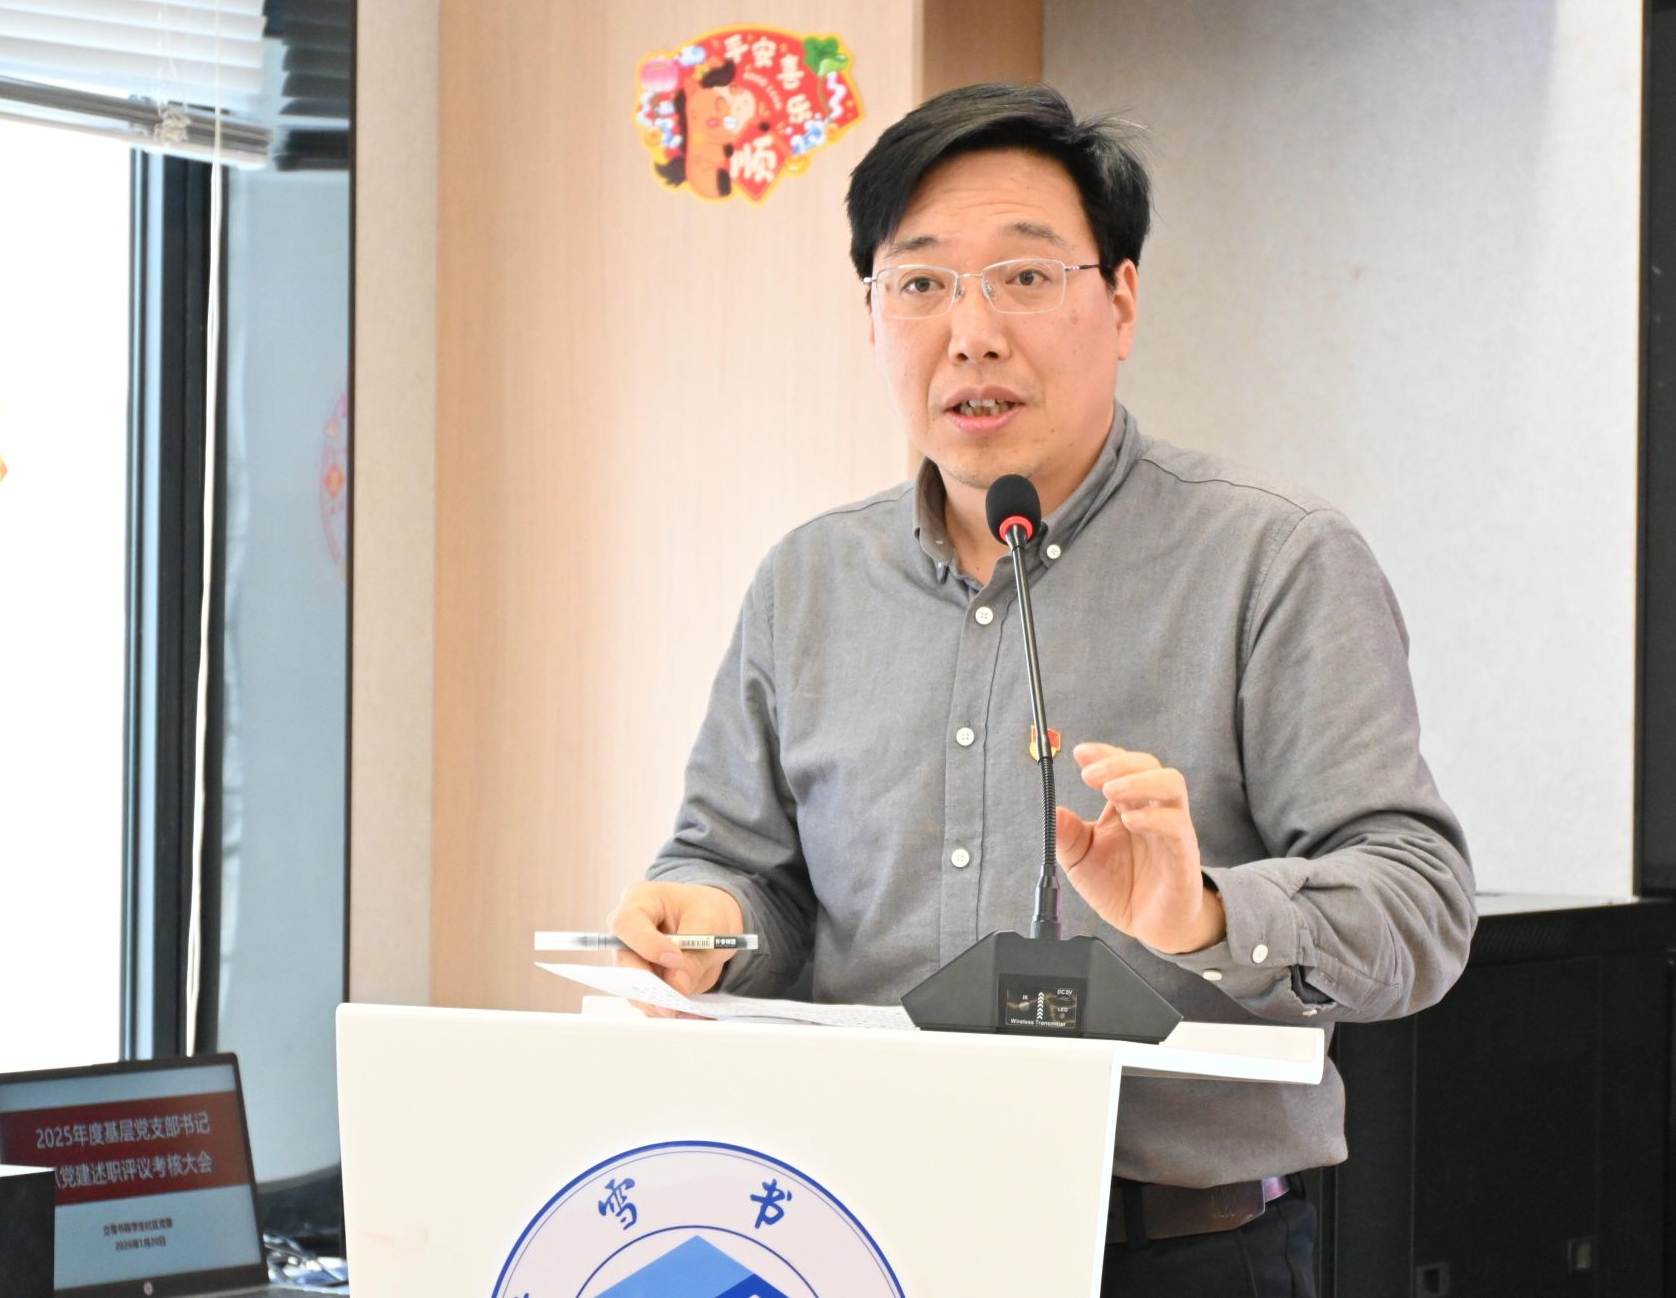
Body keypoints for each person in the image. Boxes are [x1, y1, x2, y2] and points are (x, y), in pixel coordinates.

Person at [608, 81, 1476, 1296]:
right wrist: (708, 923)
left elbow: (1418, 907)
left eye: (1022, 277)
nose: (970, 333)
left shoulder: (1273, 560)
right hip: (857, 1231)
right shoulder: (809, 579)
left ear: (1118, 302)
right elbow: (744, 871)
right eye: (920, 284)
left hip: (1172, 1253)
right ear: (871, 316)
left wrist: (1203, 914)